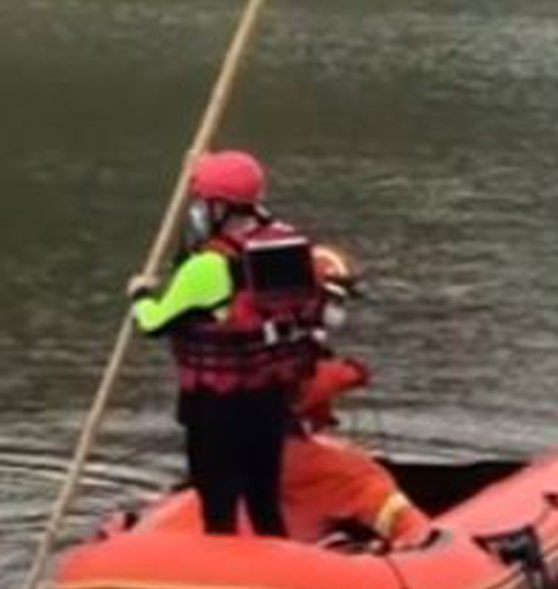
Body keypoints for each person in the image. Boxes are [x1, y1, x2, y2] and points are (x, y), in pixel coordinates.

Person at [128, 150, 321, 536]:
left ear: (216, 208)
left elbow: (154, 323)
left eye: (202, 201)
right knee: (264, 499)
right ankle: (274, 564)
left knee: (218, 502)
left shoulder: (208, 267)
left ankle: (224, 570)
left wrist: (139, 296)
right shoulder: (287, 247)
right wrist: (201, 165)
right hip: (270, 399)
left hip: (217, 406)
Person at [283, 244, 431, 548]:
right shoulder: (287, 344)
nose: (339, 310)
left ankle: (304, 538)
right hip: (284, 451)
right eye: (335, 300)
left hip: (247, 450)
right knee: (365, 477)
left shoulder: (265, 330)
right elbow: (295, 390)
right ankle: (416, 542)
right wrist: (345, 375)